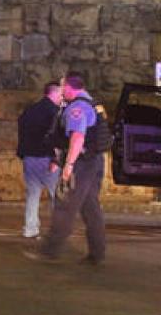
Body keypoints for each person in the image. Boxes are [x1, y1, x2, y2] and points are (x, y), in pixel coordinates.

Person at [25, 72, 107, 265]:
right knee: (91, 208)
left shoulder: (77, 107)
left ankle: (50, 251)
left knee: (65, 205)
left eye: (63, 87)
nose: (61, 91)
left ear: (70, 87)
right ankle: (97, 253)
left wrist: (68, 165)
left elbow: (77, 137)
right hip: (94, 161)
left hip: (81, 163)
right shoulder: (94, 104)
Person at [17, 82, 63, 238]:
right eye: (61, 94)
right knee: (56, 196)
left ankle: (30, 228)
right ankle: (58, 230)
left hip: (29, 158)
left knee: (32, 195)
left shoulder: (29, 111)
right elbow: (57, 137)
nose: (62, 98)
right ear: (55, 93)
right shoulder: (55, 112)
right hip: (47, 158)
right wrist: (57, 160)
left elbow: (22, 133)